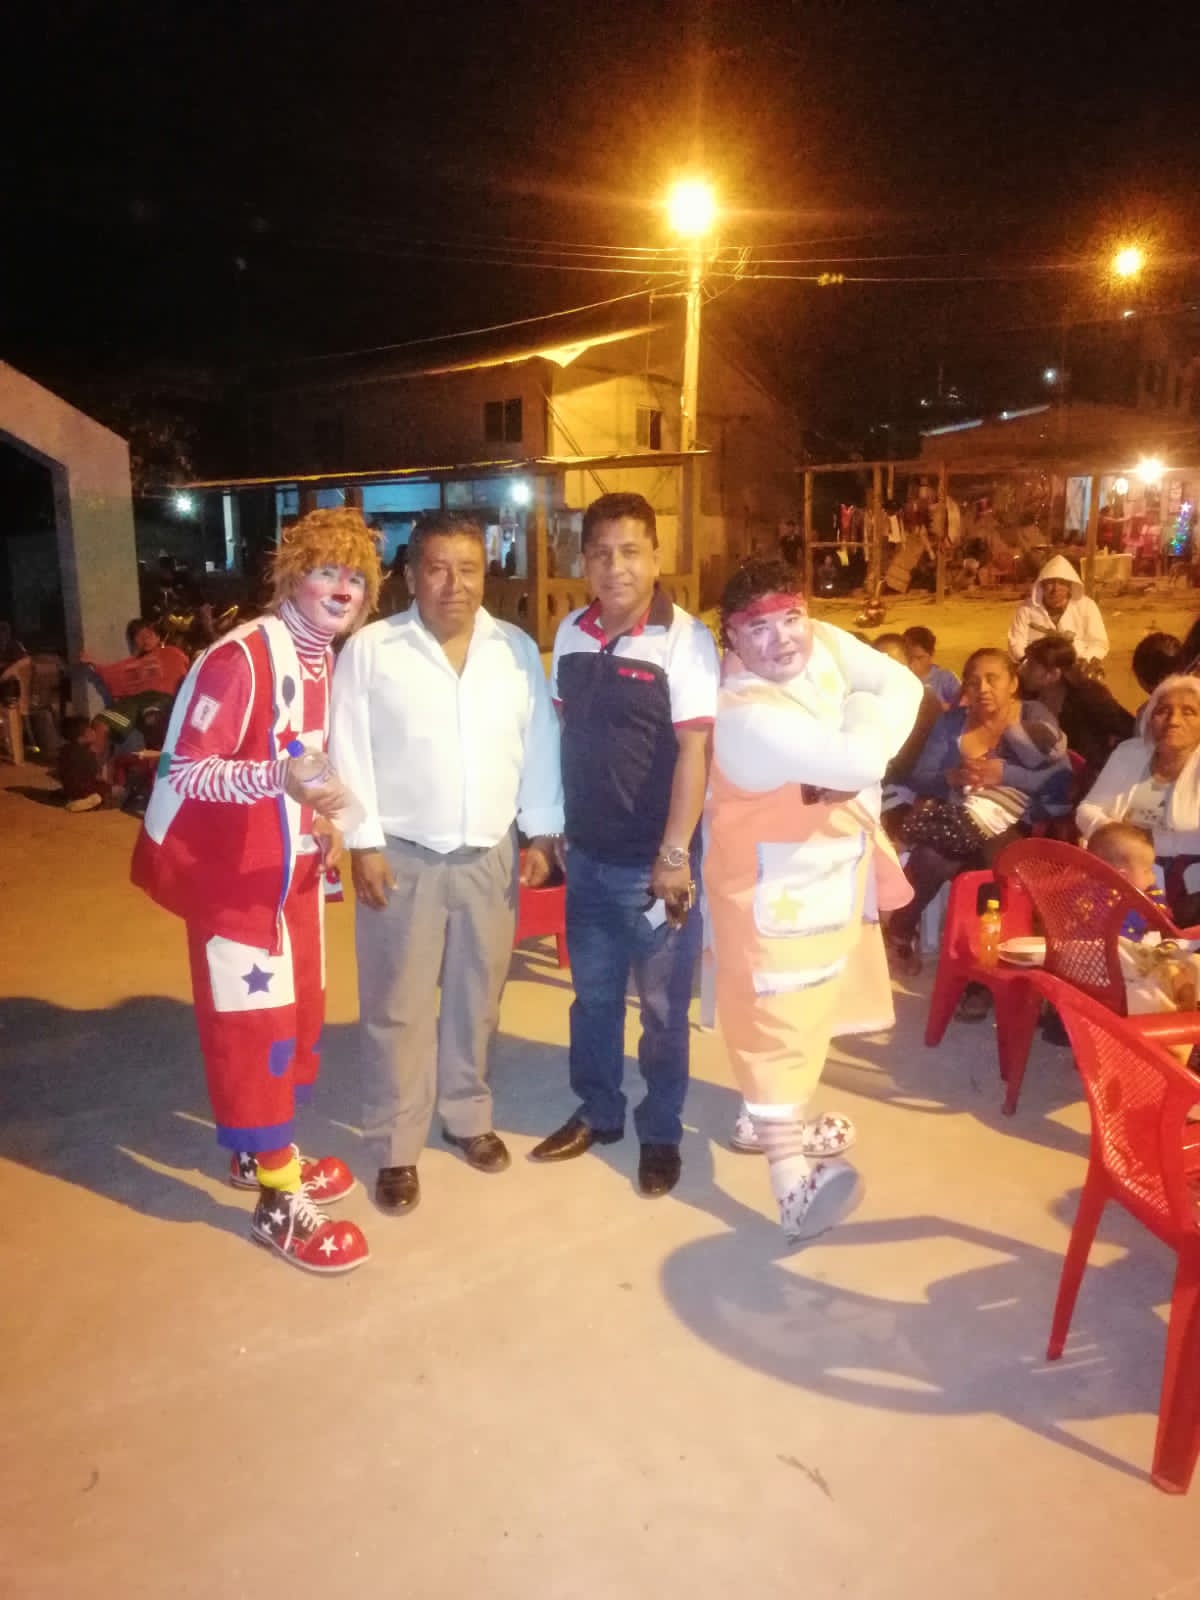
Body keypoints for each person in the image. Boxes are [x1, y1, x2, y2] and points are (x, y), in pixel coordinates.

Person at [131, 508, 382, 1275]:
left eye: (355, 577)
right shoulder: (240, 659)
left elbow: (301, 758)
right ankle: (276, 1201)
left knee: (298, 1021)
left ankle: (258, 1151)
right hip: (234, 887)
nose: (342, 589)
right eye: (326, 571)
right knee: (255, 1034)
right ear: (292, 577)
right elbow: (185, 771)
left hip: (289, 877)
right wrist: (275, 778)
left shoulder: (321, 658)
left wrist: (321, 817)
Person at [329, 511, 563, 1217]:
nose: (453, 584)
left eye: (468, 569)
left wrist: (542, 833)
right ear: (410, 576)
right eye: (437, 568)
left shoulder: (513, 650)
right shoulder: (372, 650)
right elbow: (348, 748)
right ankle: (396, 1143)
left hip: (490, 853)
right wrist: (362, 841)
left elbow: (539, 744)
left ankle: (466, 1115)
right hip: (402, 857)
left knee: (477, 997)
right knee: (396, 1006)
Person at [704, 560, 920, 1243]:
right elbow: (862, 760)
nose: (783, 639)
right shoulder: (743, 716)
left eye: (791, 618)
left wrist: (858, 738)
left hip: (824, 881)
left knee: (809, 1012)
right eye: (758, 629)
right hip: (766, 896)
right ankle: (790, 1185)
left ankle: (761, 1120)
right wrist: (861, 723)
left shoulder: (822, 643)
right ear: (732, 640)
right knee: (775, 1023)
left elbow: (905, 684)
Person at [529, 491, 720, 1197]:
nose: (616, 567)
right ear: (584, 561)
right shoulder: (571, 634)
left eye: (631, 551)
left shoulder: (684, 641)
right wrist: (553, 828)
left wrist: (674, 856)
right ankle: (600, 1112)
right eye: (602, 554)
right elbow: (563, 738)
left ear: (657, 557)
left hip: (655, 869)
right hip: (586, 858)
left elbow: (694, 752)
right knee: (594, 999)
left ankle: (661, 1131)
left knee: (664, 1013)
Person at [884, 647, 1071, 979]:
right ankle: (901, 932)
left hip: (1012, 820)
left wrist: (1004, 774)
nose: (982, 688)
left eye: (992, 679)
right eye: (973, 681)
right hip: (959, 817)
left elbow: (1061, 776)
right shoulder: (952, 723)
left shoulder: (1033, 716)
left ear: (1013, 683)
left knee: (994, 861)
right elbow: (919, 776)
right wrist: (951, 777)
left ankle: (987, 964)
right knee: (932, 855)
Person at [1077, 675, 1200, 927]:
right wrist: (1118, 838)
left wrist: (1139, 841)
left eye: (1189, 712)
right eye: (1163, 711)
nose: (1173, 720)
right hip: (1120, 876)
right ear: (1149, 718)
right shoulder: (1129, 753)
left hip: (1189, 890)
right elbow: (1086, 811)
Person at [1018, 632, 1134, 787]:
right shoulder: (1026, 696)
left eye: (1032, 666)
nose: (1023, 670)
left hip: (1089, 781)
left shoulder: (1088, 697)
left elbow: (1128, 729)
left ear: (1053, 674)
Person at [1007, 554, 1108, 664]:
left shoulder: (1087, 606)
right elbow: (1016, 642)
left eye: (1062, 583)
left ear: (1070, 585)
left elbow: (1099, 643)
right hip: (1037, 666)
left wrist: (1085, 660)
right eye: (1050, 582)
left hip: (1077, 666)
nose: (1055, 589)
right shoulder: (1026, 609)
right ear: (1042, 584)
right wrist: (1029, 662)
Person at [57, 715, 112, 812]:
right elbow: (93, 774)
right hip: (83, 789)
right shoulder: (87, 753)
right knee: (108, 789)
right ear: (81, 737)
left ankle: (77, 799)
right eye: (89, 730)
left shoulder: (65, 750)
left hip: (69, 789)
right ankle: (86, 801)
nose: (93, 731)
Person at [901, 626, 960, 708]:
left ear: (931, 655)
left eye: (919, 658)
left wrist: (935, 707)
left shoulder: (946, 678)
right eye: (909, 657)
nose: (913, 663)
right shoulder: (899, 679)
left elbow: (963, 707)